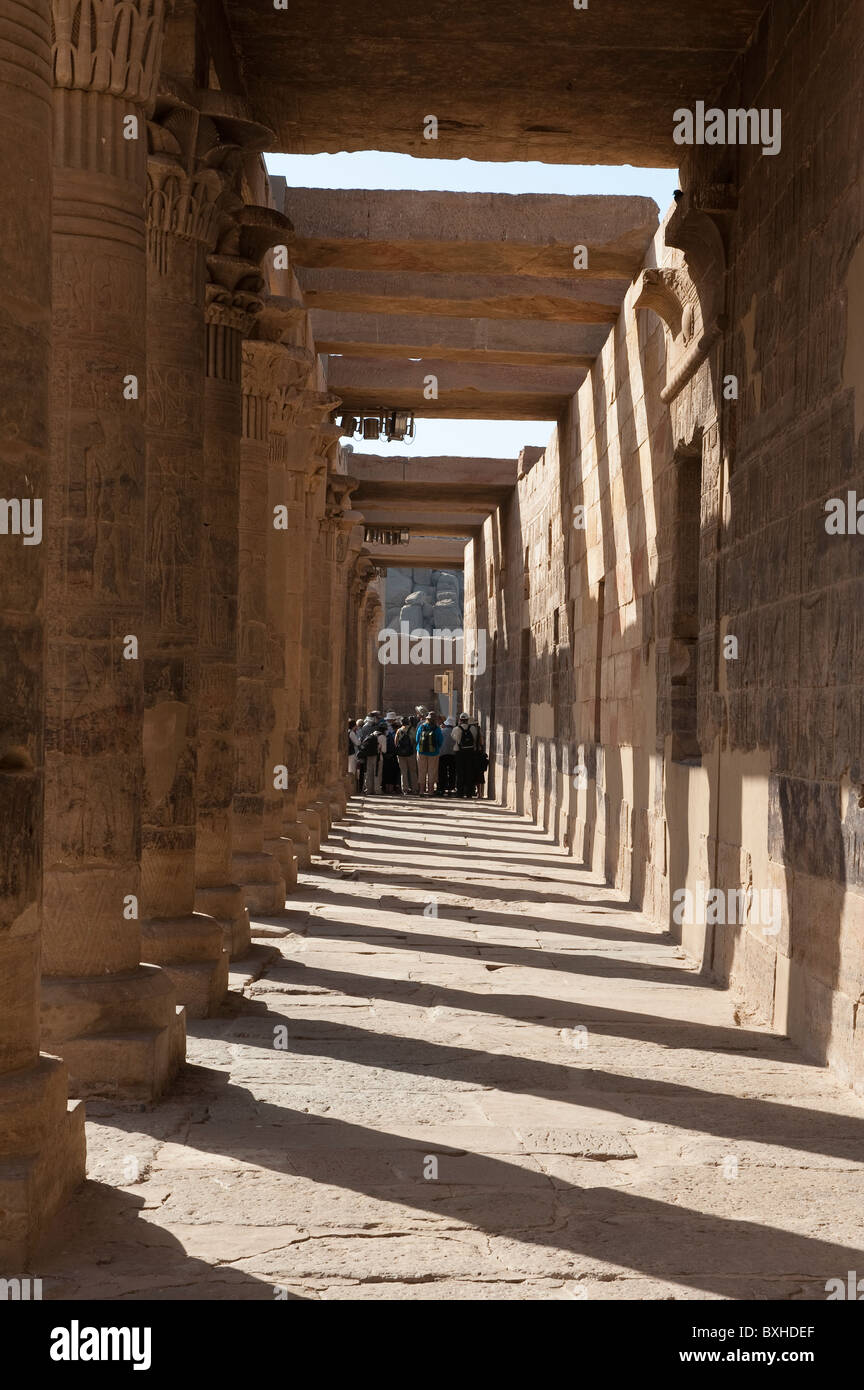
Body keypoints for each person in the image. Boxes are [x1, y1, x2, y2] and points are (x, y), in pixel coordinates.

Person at [452, 712, 484, 798]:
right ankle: (469, 792)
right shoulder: (473, 728)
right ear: (467, 720)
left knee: (460, 773)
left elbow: (454, 738)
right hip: (470, 753)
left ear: (460, 720)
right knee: (469, 772)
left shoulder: (456, 729)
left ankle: (460, 792)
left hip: (459, 752)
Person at [415, 710, 443, 795]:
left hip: (421, 752)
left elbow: (417, 739)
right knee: (432, 771)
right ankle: (430, 791)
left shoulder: (422, 727)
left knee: (421, 771)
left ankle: (421, 791)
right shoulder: (437, 729)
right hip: (433, 753)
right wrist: (435, 747)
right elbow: (440, 741)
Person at [357, 717, 385, 794]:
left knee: (369, 773)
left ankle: (369, 790)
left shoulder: (371, 735)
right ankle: (377, 790)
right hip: (378, 756)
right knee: (377, 773)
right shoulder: (382, 736)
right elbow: (384, 750)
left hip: (369, 756)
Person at [394, 715, 419, 794]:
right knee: (413, 771)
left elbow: (395, 742)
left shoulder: (399, 730)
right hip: (411, 753)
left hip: (401, 754)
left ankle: (405, 789)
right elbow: (416, 740)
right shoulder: (413, 729)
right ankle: (415, 789)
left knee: (403, 772)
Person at [436, 716, 457, 796]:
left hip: (442, 754)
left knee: (442, 772)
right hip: (453, 754)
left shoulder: (442, 731)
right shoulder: (456, 731)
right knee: (452, 772)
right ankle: (451, 788)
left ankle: (441, 788)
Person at [380, 719, 401, 795]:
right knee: (393, 773)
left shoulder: (387, 735)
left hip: (386, 757)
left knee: (386, 773)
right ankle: (392, 789)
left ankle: (387, 789)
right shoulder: (396, 734)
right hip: (393, 756)